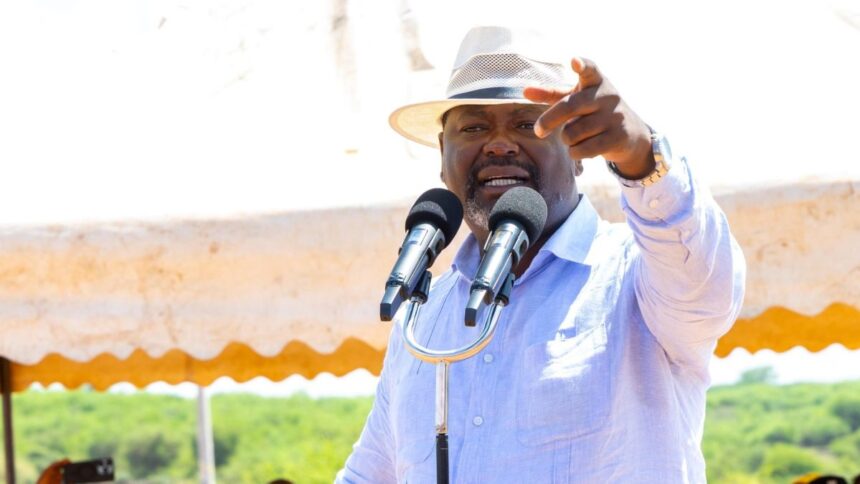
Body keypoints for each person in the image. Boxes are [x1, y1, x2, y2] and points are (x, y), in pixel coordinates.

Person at [337, 26, 745, 483]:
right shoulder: (422, 320)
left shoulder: (637, 274)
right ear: (442, 154)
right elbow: (369, 473)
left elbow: (708, 289)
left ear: (579, 151)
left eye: (528, 124)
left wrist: (642, 157)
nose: (499, 144)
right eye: (473, 127)